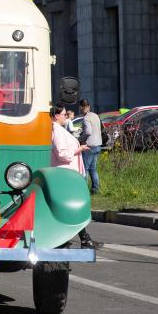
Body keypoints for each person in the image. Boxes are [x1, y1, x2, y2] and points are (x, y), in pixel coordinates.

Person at [50, 105, 101, 249]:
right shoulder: (57, 130)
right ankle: (83, 240)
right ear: (56, 116)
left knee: (70, 209)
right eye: (64, 114)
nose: (66, 117)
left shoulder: (58, 129)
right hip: (66, 175)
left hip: (66, 175)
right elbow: (62, 154)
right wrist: (79, 149)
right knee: (74, 208)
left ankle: (81, 239)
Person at [79, 99, 102, 194]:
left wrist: (79, 139)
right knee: (93, 169)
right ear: (89, 106)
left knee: (85, 169)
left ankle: (83, 191)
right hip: (98, 145)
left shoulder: (86, 118)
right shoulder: (95, 115)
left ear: (81, 107)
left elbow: (88, 132)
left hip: (89, 146)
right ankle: (95, 189)